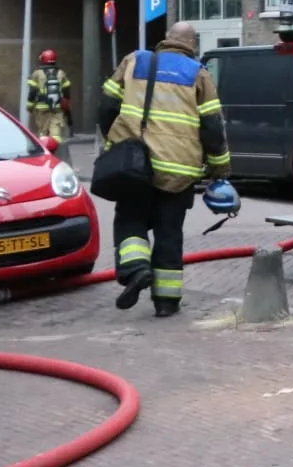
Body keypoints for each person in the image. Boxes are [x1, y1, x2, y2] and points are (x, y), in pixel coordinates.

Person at [98, 22, 232, 317]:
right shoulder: (199, 74)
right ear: (192, 44)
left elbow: (107, 107)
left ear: (166, 39)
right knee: (169, 233)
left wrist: (118, 142)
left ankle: (136, 270)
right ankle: (166, 302)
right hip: (179, 171)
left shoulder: (134, 61)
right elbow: (212, 128)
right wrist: (220, 170)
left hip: (136, 165)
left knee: (130, 220)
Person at [26, 49, 71, 144]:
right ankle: (57, 150)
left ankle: (45, 151)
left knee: (43, 132)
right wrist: (66, 105)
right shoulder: (61, 73)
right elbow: (66, 90)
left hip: (41, 108)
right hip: (57, 107)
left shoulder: (37, 74)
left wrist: (29, 106)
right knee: (56, 133)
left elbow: (33, 92)